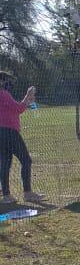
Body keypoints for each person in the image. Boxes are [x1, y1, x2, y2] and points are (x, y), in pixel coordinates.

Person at [0, 72, 41, 204]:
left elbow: (12, 109)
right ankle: (27, 193)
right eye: (6, 80)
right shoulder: (3, 94)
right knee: (26, 160)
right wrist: (28, 96)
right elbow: (18, 109)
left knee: (5, 163)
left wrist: (27, 101)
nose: (9, 83)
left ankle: (6, 195)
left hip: (2, 133)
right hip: (9, 132)